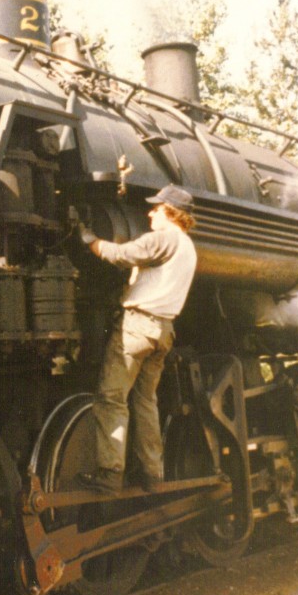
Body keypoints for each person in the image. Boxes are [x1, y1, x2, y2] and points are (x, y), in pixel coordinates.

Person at [76, 184, 198, 495]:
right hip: (164, 331)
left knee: (112, 397)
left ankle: (110, 473)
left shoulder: (163, 238)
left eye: (156, 208)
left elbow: (121, 255)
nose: (150, 213)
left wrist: (88, 238)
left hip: (138, 328)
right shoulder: (187, 246)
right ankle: (152, 474)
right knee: (146, 401)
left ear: (171, 212)